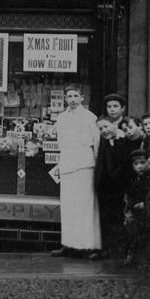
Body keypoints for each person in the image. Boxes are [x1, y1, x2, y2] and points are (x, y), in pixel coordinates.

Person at [51, 84, 102, 260]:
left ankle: (89, 245)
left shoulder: (89, 117)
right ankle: (69, 244)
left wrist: (95, 163)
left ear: (82, 98)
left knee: (85, 206)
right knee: (69, 206)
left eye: (75, 96)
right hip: (67, 164)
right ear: (65, 99)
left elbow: (96, 143)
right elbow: (60, 141)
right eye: (69, 96)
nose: (72, 100)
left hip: (84, 164)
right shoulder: (62, 117)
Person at [94, 116, 132, 257]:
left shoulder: (125, 141)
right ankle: (108, 249)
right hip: (106, 188)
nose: (104, 130)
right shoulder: (104, 142)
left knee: (119, 219)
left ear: (114, 125)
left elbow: (126, 164)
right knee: (106, 219)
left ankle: (121, 250)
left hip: (120, 187)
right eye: (100, 129)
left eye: (106, 126)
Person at [122, 150, 150, 266]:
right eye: (136, 164)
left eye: (142, 162)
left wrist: (145, 204)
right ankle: (132, 255)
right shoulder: (134, 180)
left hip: (149, 210)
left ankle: (144, 258)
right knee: (131, 226)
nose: (139, 166)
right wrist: (131, 206)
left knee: (144, 229)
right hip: (136, 212)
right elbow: (130, 197)